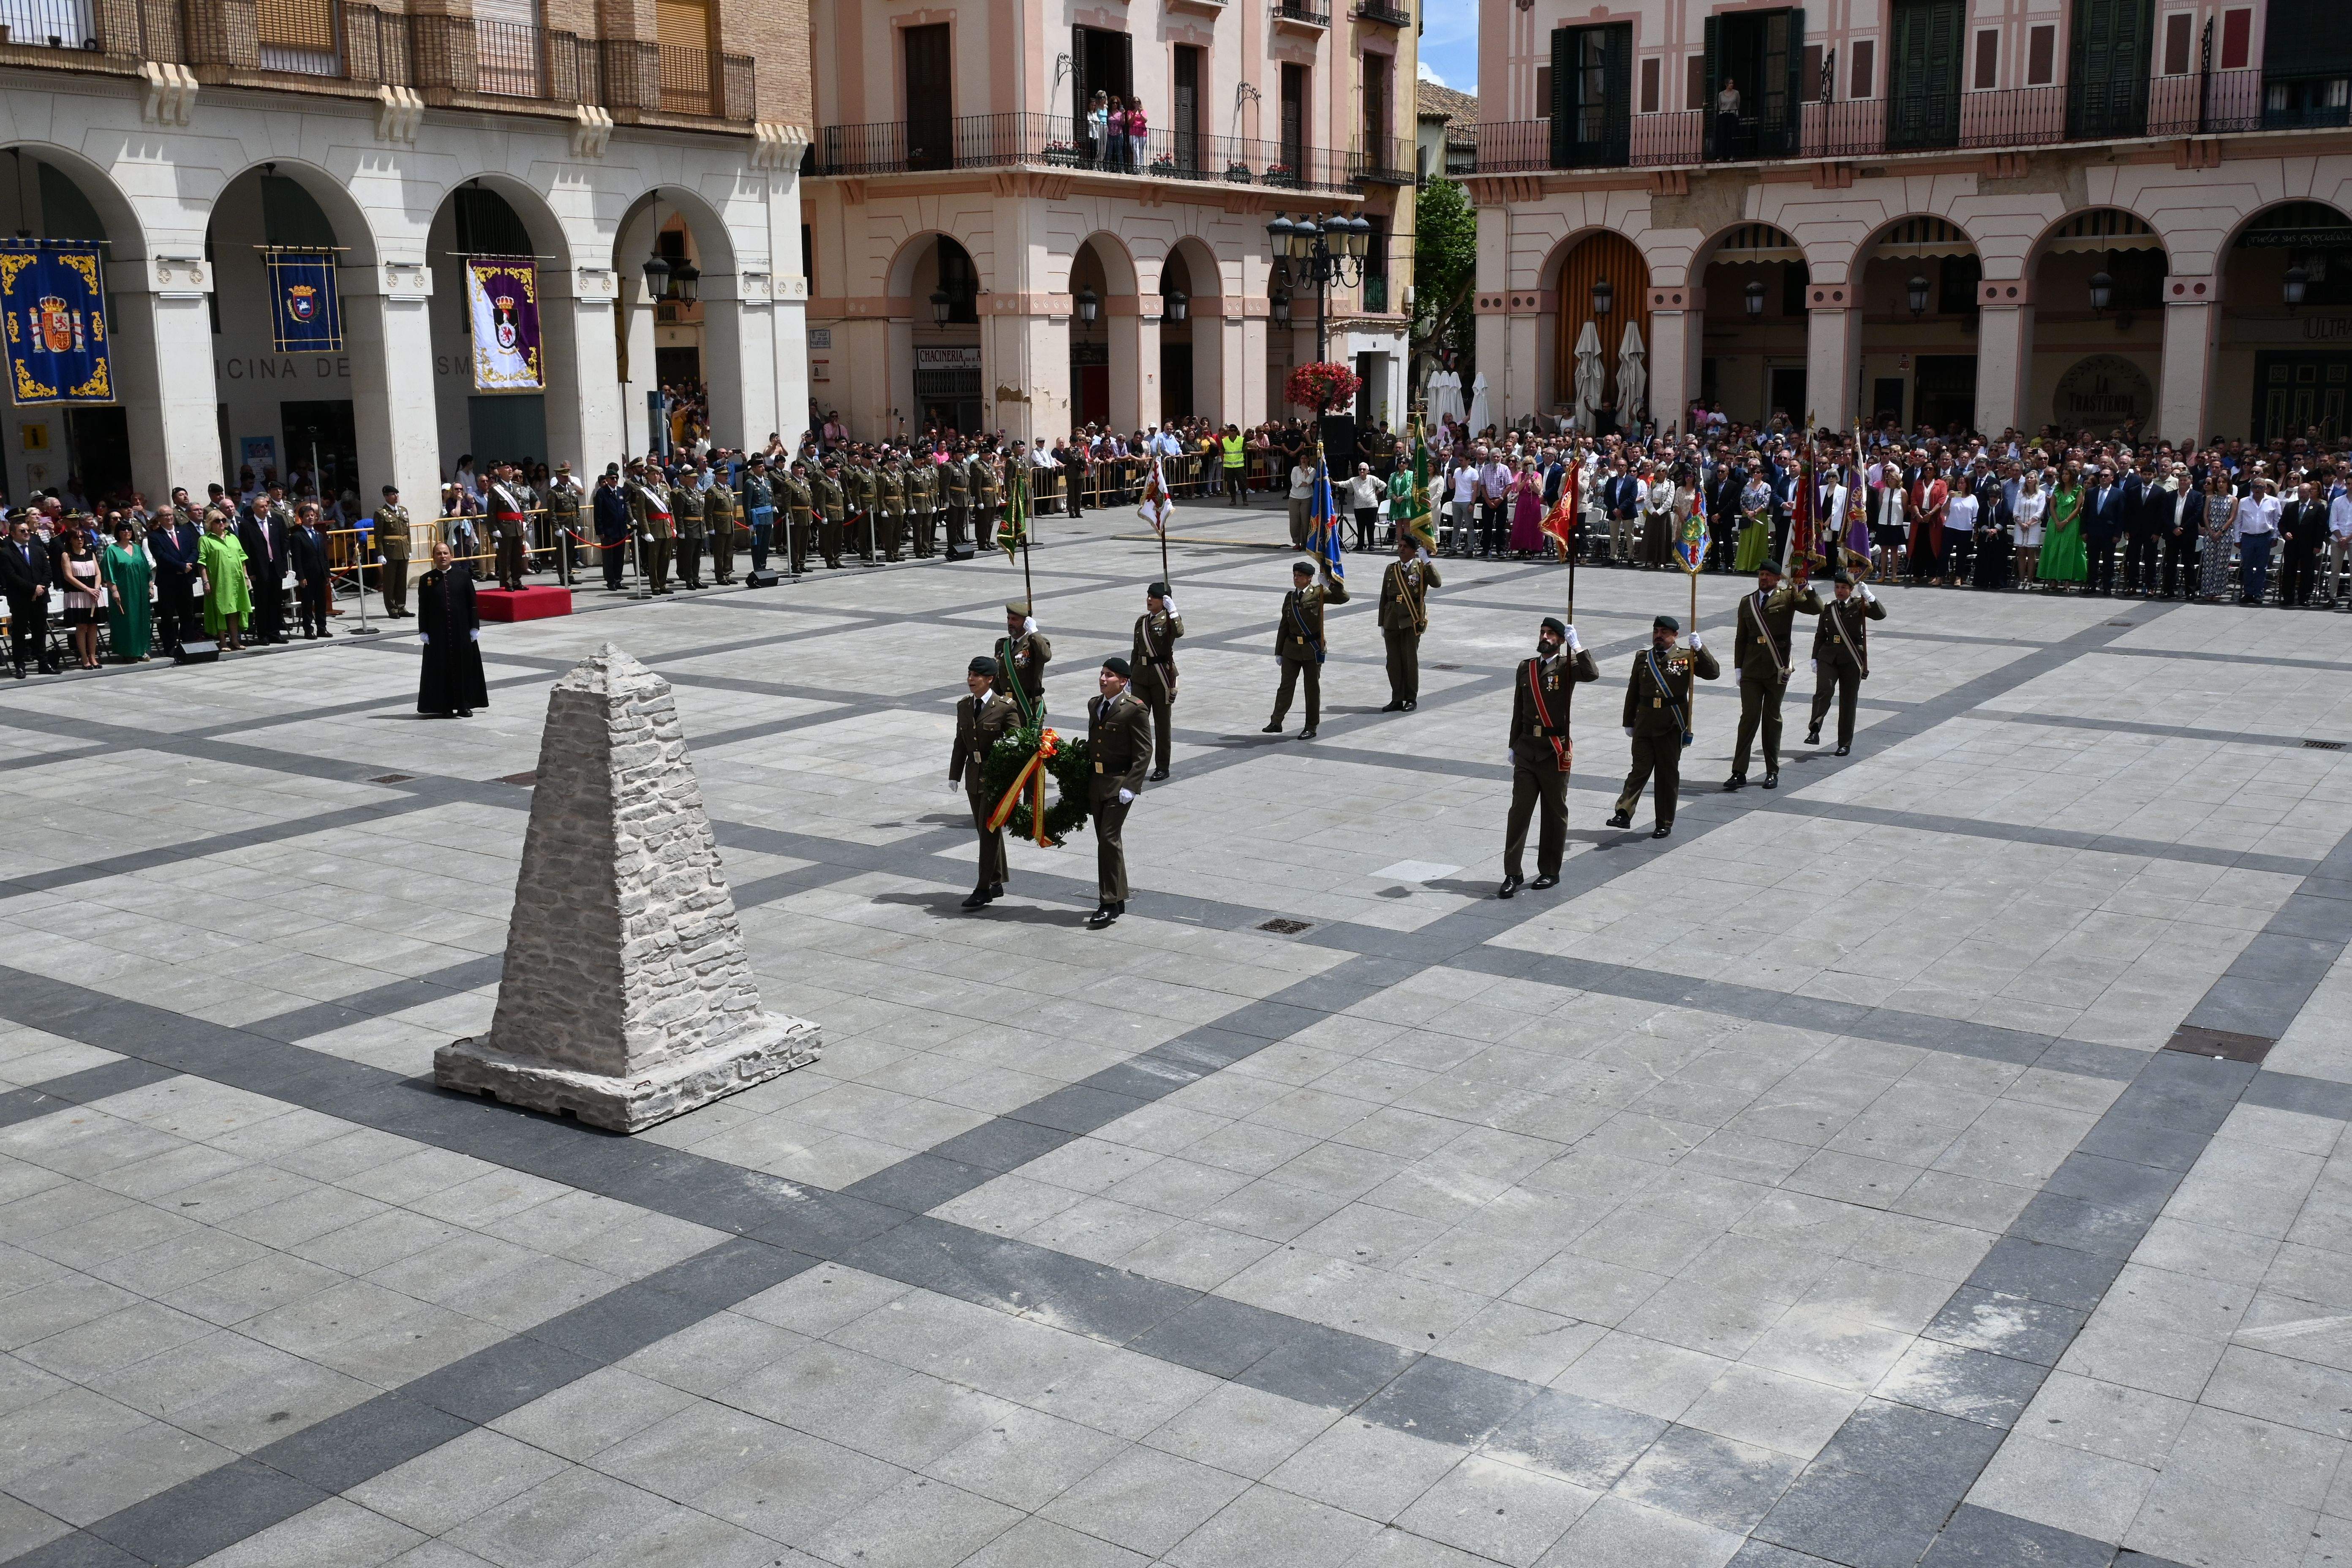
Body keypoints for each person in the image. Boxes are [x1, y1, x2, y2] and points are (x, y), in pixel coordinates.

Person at [1498, 616, 1599, 898]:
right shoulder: (1526, 668)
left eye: (1551, 634)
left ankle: (1549, 870)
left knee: (1555, 813)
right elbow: (1518, 709)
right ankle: (1513, 872)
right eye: (1542, 633)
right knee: (1519, 812)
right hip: (1527, 750)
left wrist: (1577, 645)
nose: (1545, 637)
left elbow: (1592, 674)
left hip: (1555, 750)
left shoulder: (1568, 667)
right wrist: (1512, 745)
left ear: (1560, 639)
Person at [1608, 615, 1719, 838]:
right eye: (1656, 631)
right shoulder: (1643, 658)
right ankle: (1623, 812)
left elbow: (1713, 673)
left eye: (1664, 632)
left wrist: (1701, 649)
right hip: (1645, 724)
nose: (1658, 636)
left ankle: (1664, 822)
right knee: (1639, 770)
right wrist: (1628, 721)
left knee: (1667, 775)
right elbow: (1634, 691)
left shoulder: (1687, 657)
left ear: (1675, 636)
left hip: (1671, 725)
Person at [1724, 559, 1820, 791]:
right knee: (1748, 719)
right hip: (1751, 669)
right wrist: (1738, 668)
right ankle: (1739, 772)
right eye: (1761, 574)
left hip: (1777, 668)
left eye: (1768, 575)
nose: (1764, 578)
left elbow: (1817, 609)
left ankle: (1772, 771)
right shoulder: (1747, 602)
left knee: (1772, 720)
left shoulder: (1788, 597)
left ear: (1778, 579)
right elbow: (1741, 638)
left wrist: (1807, 588)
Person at [1086, 656, 1151, 928]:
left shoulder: (1134, 708)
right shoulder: (1095, 705)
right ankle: (1119, 896)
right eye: (1102, 674)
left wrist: (1132, 785)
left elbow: (1144, 750)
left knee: (1109, 839)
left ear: (1123, 681)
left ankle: (1108, 902)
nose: (1103, 679)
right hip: (1097, 783)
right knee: (1106, 839)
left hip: (1119, 783)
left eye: (1109, 675)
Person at [949, 654, 1018, 909]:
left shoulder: (1004, 707)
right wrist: (954, 774)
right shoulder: (964, 706)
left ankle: (983, 888)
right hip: (973, 775)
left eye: (977, 676)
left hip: (996, 776)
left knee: (989, 831)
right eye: (969, 675)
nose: (971, 680)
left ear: (990, 679)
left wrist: (1012, 781)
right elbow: (961, 742)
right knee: (984, 830)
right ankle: (996, 881)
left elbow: (1016, 745)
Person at [1263, 556, 1348, 740]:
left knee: (1311, 689)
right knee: (1285, 687)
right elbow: (1283, 626)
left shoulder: (1319, 593)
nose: (1296, 578)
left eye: (1300, 575)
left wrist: (1331, 584)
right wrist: (1279, 651)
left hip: (1312, 649)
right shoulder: (1290, 597)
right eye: (1295, 575)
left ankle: (1311, 726)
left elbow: (1344, 598)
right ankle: (1276, 721)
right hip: (1292, 649)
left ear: (1310, 578)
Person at [1805, 570, 1886, 756]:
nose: (1839, 591)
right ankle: (1815, 729)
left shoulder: (1860, 605)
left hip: (1851, 658)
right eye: (1837, 587)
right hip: (1828, 657)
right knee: (1824, 690)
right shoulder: (1829, 607)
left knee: (1848, 701)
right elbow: (1820, 635)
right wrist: (1814, 657)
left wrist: (1869, 596)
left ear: (1851, 590)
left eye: (1844, 588)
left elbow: (1881, 615)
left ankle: (1844, 743)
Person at [415, 541, 487, 718]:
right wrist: (423, 630)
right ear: (434, 557)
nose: (443, 557)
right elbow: (423, 606)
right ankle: (444, 706)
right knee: (440, 669)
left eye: (446, 553)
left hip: (461, 631)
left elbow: (473, 604)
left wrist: (474, 627)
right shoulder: (427, 579)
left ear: (452, 556)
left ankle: (464, 705)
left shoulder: (463, 576)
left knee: (464, 668)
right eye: (439, 554)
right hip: (438, 633)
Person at [1377, 534, 1440, 712]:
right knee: (1393, 662)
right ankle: (1397, 698)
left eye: (1405, 546)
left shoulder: (1420, 568)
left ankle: (1411, 698)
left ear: (1414, 551)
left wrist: (1427, 562)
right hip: (1391, 620)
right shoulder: (1391, 569)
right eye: (1400, 545)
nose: (1401, 549)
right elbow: (1384, 597)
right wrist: (1381, 622)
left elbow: (1437, 583)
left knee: (1410, 661)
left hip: (1411, 620)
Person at [1130, 581, 1182, 780]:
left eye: (1155, 597)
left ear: (1165, 601)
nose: (1150, 600)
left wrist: (1174, 612)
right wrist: (1129, 675)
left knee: (1162, 724)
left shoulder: (1169, 620)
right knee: (1136, 720)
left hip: (1161, 676)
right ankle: (1135, 764)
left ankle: (1162, 766)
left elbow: (1179, 633)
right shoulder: (1142, 621)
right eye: (1149, 596)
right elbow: (1136, 650)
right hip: (1141, 676)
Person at [4, 515, 59, 676]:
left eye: (28, 530)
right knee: (20, 633)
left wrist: (41, 588)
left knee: (40, 631)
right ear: (13, 534)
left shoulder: (37, 550)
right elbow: (12, 577)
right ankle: (20, 666)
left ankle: (43, 664)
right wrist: (33, 589)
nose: (27, 533)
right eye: (23, 531)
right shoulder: (7, 553)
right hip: (20, 599)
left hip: (40, 598)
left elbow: (48, 571)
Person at [150, 496, 202, 648]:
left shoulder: (184, 531)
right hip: (168, 582)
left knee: (188, 614)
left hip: (186, 580)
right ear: (159, 519)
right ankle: (170, 647)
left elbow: (194, 550)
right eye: (165, 515)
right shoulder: (155, 536)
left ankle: (189, 644)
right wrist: (181, 566)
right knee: (168, 616)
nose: (169, 518)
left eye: (170, 514)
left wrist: (189, 565)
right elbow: (161, 556)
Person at [236, 495, 288, 643]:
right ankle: (263, 633)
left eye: (267, 506)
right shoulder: (247, 525)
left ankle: (275, 632)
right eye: (262, 507)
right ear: (254, 509)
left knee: (276, 601)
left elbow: (283, 543)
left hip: (276, 567)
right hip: (260, 570)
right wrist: (250, 572)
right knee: (262, 602)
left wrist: (283, 564)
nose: (265, 509)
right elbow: (246, 549)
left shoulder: (276, 522)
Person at [198, 507, 251, 651]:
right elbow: (202, 563)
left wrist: (246, 577)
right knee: (222, 610)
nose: (222, 523)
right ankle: (222, 642)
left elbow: (242, 558)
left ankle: (235, 640)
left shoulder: (232, 537)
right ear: (210, 523)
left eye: (224, 520)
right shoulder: (205, 540)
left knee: (235, 609)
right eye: (218, 521)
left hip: (236, 579)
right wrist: (206, 582)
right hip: (219, 580)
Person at [101, 517, 152, 662]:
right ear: (118, 532)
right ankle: (128, 651)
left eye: (129, 529)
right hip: (123, 591)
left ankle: (141, 650)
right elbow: (109, 573)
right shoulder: (112, 550)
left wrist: (150, 586)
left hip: (140, 590)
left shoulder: (137, 548)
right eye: (123, 529)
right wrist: (114, 591)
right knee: (127, 621)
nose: (127, 532)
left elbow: (146, 569)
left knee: (141, 619)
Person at [55, 519, 103, 670]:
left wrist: (95, 589)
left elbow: (98, 573)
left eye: (82, 537)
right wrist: (88, 590)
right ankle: (84, 657)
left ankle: (93, 656)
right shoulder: (67, 555)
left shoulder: (90, 553)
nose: (80, 540)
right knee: (82, 627)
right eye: (77, 538)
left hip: (93, 594)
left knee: (94, 626)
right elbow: (68, 577)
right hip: (78, 595)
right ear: (70, 540)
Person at [996, 599, 1051, 721]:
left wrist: (1034, 632)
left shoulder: (1034, 644)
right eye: (1008, 618)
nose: (1010, 622)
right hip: (1006, 706)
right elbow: (998, 677)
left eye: (1015, 619)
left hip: (1028, 707)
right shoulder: (1002, 644)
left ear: (1026, 622)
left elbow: (1046, 656)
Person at [288, 503, 333, 638]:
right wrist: (301, 577)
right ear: (301, 518)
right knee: (308, 604)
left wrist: (327, 574)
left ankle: (322, 628)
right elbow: (297, 559)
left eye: (312, 516)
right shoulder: (297, 536)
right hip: (307, 575)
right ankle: (308, 629)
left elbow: (324, 556)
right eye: (307, 516)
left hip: (320, 574)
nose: (311, 518)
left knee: (321, 603)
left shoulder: (319, 535)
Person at [2039, 467, 2087, 589]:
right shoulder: (2058, 488)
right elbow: (2052, 506)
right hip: (2055, 522)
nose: (2065, 476)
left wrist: (2065, 522)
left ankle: (2067, 580)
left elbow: (2077, 508)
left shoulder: (2078, 489)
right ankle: (2053, 578)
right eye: (2063, 474)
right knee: (2054, 549)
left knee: (2068, 551)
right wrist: (2057, 522)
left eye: (2067, 474)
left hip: (2071, 523)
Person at [2236, 475, 2280, 604]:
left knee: (2261, 567)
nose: (2258, 489)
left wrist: (2276, 536)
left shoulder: (2273, 501)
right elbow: (2238, 521)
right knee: (2248, 567)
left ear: (2266, 488)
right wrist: (2237, 538)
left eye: (2261, 487)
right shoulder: (2244, 501)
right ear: (2251, 488)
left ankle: (2258, 593)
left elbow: (2277, 520)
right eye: (2255, 487)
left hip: (2264, 537)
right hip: (2248, 538)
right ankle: (2248, 593)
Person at [372, 485, 413, 615]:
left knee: (402, 580)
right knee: (390, 581)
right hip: (390, 551)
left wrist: (409, 549)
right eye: (392, 494)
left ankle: (401, 606)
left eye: (397, 494)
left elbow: (408, 532)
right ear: (386, 497)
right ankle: (392, 609)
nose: (396, 496)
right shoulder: (381, 513)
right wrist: (380, 554)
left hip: (403, 549)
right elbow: (378, 535)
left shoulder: (403, 511)